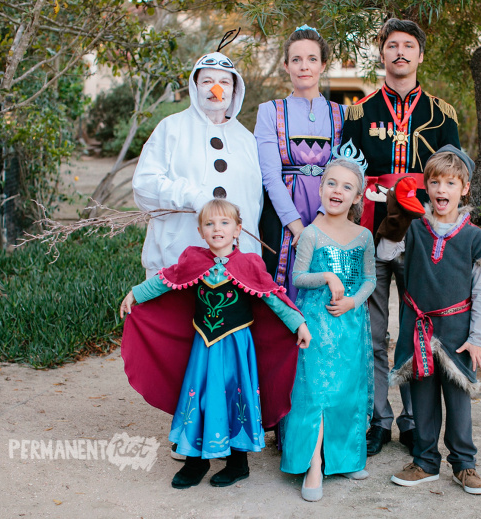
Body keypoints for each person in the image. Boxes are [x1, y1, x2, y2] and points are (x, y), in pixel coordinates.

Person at [119, 199, 312, 489]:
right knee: (201, 395)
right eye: (209, 224)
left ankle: (237, 463)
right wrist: (136, 294)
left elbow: (271, 296)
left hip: (236, 348)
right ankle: (196, 460)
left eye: (224, 223)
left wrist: (298, 323)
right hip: (203, 348)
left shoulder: (249, 263)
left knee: (236, 398)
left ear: (238, 230)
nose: (217, 229)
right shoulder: (193, 260)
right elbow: (166, 280)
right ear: (200, 231)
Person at [340, 18, 461, 456]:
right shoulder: (359, 111)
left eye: (409, 46)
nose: (401, 53)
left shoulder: (442, 114)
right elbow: (346, 177)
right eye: (392, 46)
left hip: (423, 238)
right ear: (382, 53)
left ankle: (413, 421)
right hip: (370, 235)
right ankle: (377, 419)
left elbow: (454, 177)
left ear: (420, 55)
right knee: (371, 332)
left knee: (416, 331)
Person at [388, 146, 481, 494]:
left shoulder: (474, 238)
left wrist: (478, 337)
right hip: (417, 330)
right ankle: (424, 460)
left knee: (458, 400)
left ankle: (464, 464)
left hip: (457, 333)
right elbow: (384, 254)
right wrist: (395, 212)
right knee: (421, 397)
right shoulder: (415, 229)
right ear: (427, 186)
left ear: (464, 188)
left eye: (450, 183)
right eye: (435, 182)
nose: (441, 190)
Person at [280, 143, 375, 502]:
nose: (337, 191)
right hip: (317, 324)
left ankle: (346, 457)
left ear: (356, 197)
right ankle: (314, 463)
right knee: (317, 393)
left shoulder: (364, 236)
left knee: (348, 392)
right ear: (320, 189)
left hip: (349, 324)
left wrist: (352, 299)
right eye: (331, 183)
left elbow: (370, 279)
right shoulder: (310, 233)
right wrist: (327, 277)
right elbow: (298, 277)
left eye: (346, 187)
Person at [133, 52, 263, 279]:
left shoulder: (246, 139)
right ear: (195, 87)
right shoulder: (171, 128)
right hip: (177, 260)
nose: (216, 89)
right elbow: (144, 186)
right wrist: (191, 196)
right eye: (207, 81)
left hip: (234, 268)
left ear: (235, 90)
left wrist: (250, 256)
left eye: (224, 82)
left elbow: (254, 205)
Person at [255, 25, 344, 301]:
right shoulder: (270, 111)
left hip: (329, 212)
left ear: (323, 65)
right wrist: (298, 229)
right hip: (284, 216)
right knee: (284, 289)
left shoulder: (342, 114)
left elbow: (344, 172)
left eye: (312, 59)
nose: (304, 66)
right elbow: (270, 176)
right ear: (286, 65)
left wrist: (322, 222)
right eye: (296, 59)